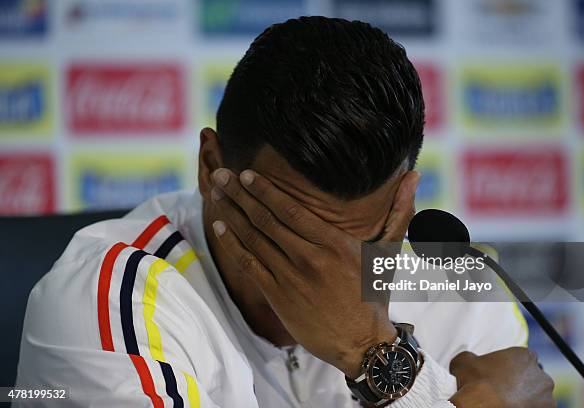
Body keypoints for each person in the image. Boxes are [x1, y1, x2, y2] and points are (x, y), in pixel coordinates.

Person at [16, 17, 555, 407]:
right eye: (280, 239)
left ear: (404, 202)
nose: (320, 281)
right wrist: (378, 361)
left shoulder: (456, 294)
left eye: (358, 246)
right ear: (211, 168)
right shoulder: (107, 301)